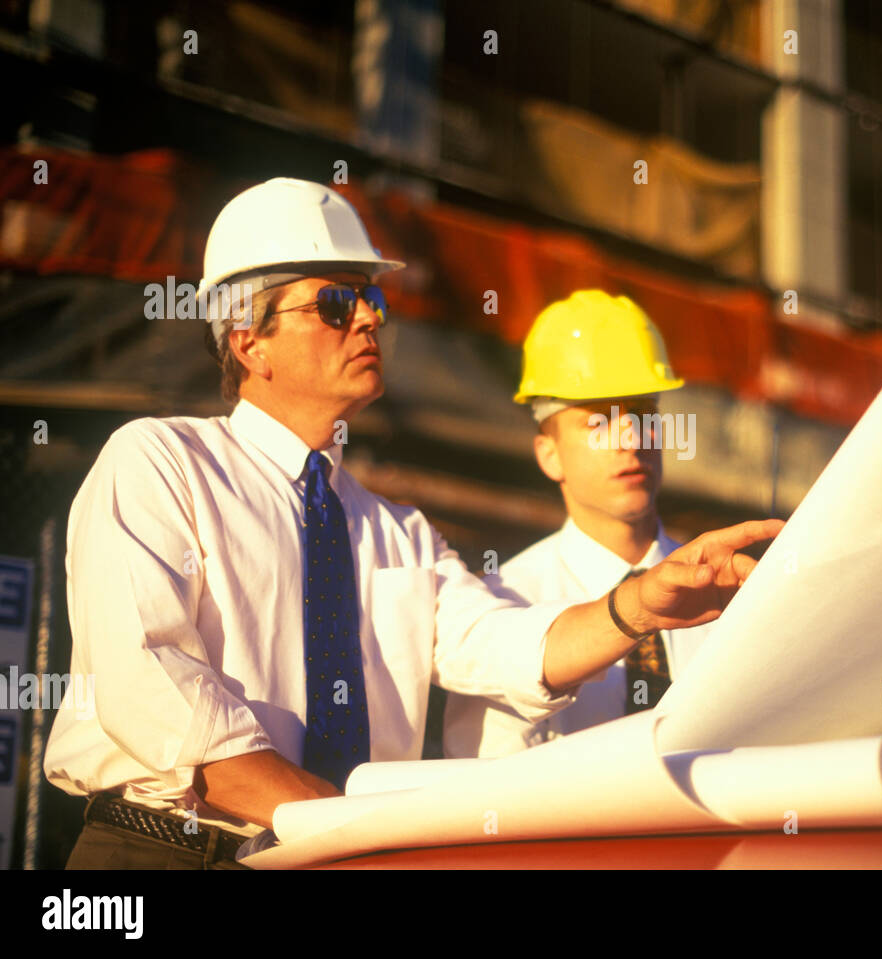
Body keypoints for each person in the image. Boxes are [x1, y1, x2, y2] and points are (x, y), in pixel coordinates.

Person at [43, 179, 781, 868]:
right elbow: (151, 684)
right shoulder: (159, 462)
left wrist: (636, 605)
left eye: (371, 301)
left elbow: (495, 641)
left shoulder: (396, 530)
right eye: (335, 302)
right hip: (170, 850)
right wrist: (340, 825)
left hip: (336, 847)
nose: (368, 317)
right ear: (248, 339)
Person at [444, 290, 718, 758]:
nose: (629, 439)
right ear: (548, 454)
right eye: (598, 424)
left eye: (642, 415)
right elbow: (490, 800)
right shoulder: (503, 608)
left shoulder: (725, 593)